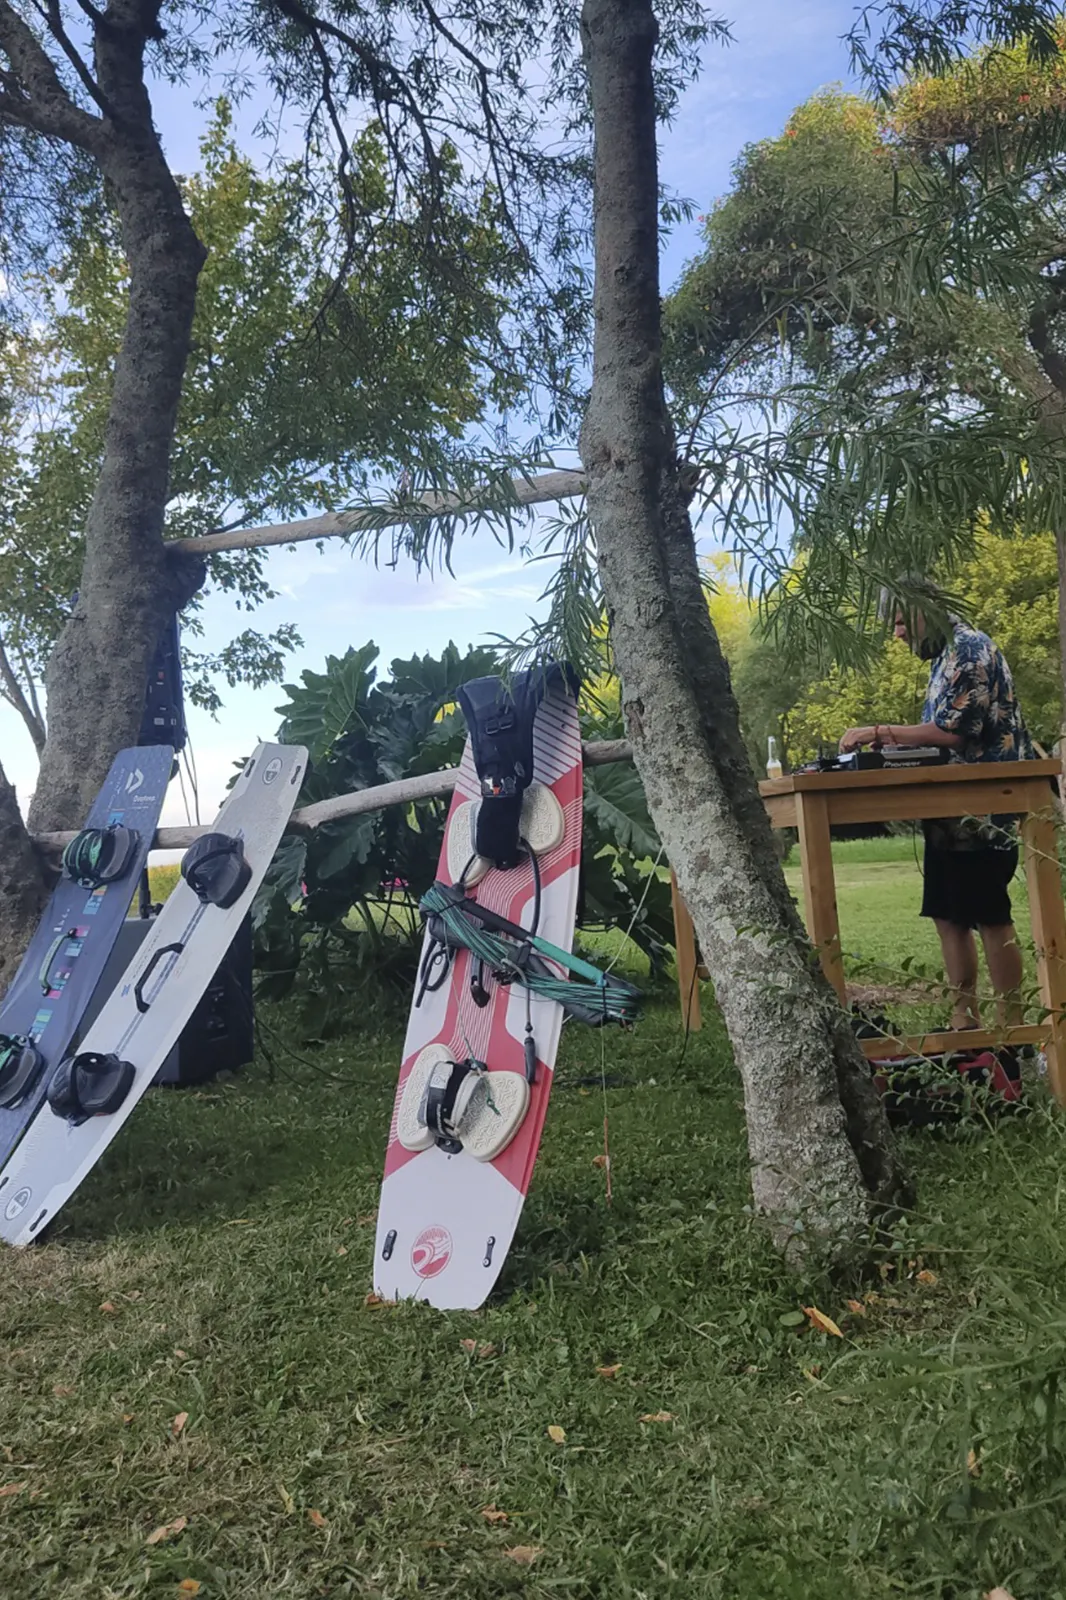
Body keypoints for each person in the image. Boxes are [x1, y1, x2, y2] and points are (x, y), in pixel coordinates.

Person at [839, 584, 1034, 1032]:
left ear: (926, 611)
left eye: (902, 622)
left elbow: (953, 732)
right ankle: (964, 1023)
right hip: (949, 809)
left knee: (990, 916)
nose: (898, 635)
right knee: (948, 915)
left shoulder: (968, 649)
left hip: (984, 810)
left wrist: (879, 732)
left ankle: (1013, 1030)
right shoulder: (944, 658)